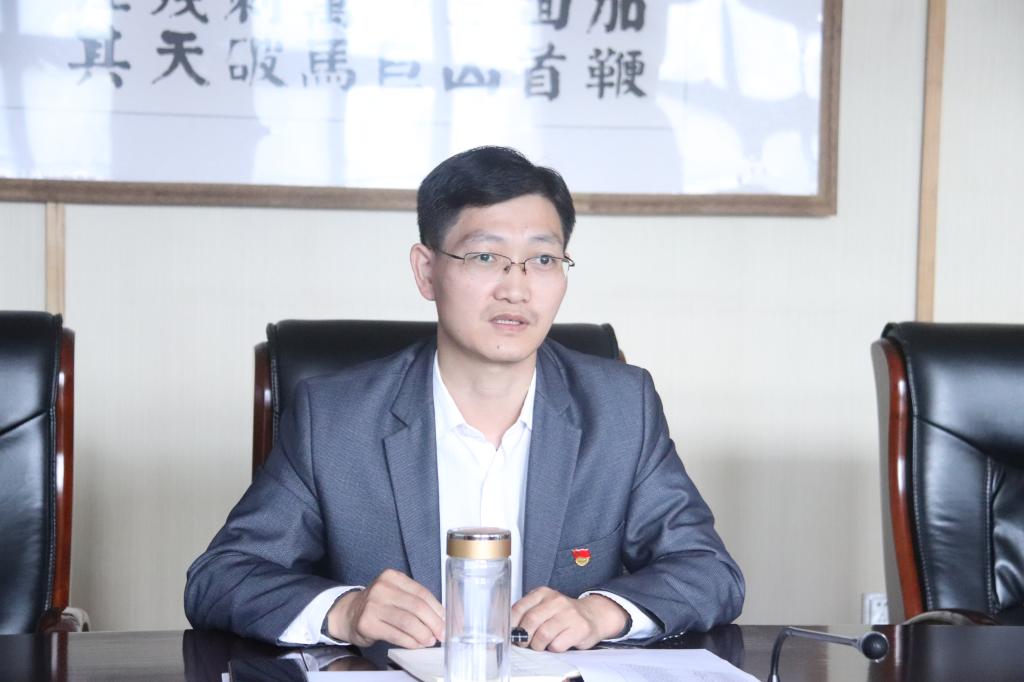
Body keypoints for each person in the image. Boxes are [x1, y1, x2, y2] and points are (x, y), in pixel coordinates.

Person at [184, 146, 743, 652]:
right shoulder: (334, 418)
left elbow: (708, 571)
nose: (516, 288)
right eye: (484, 258)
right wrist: (346, 611)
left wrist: (602, 613)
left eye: (543, 260)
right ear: (426, 271)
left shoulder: (621, 408)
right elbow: (221, 577)